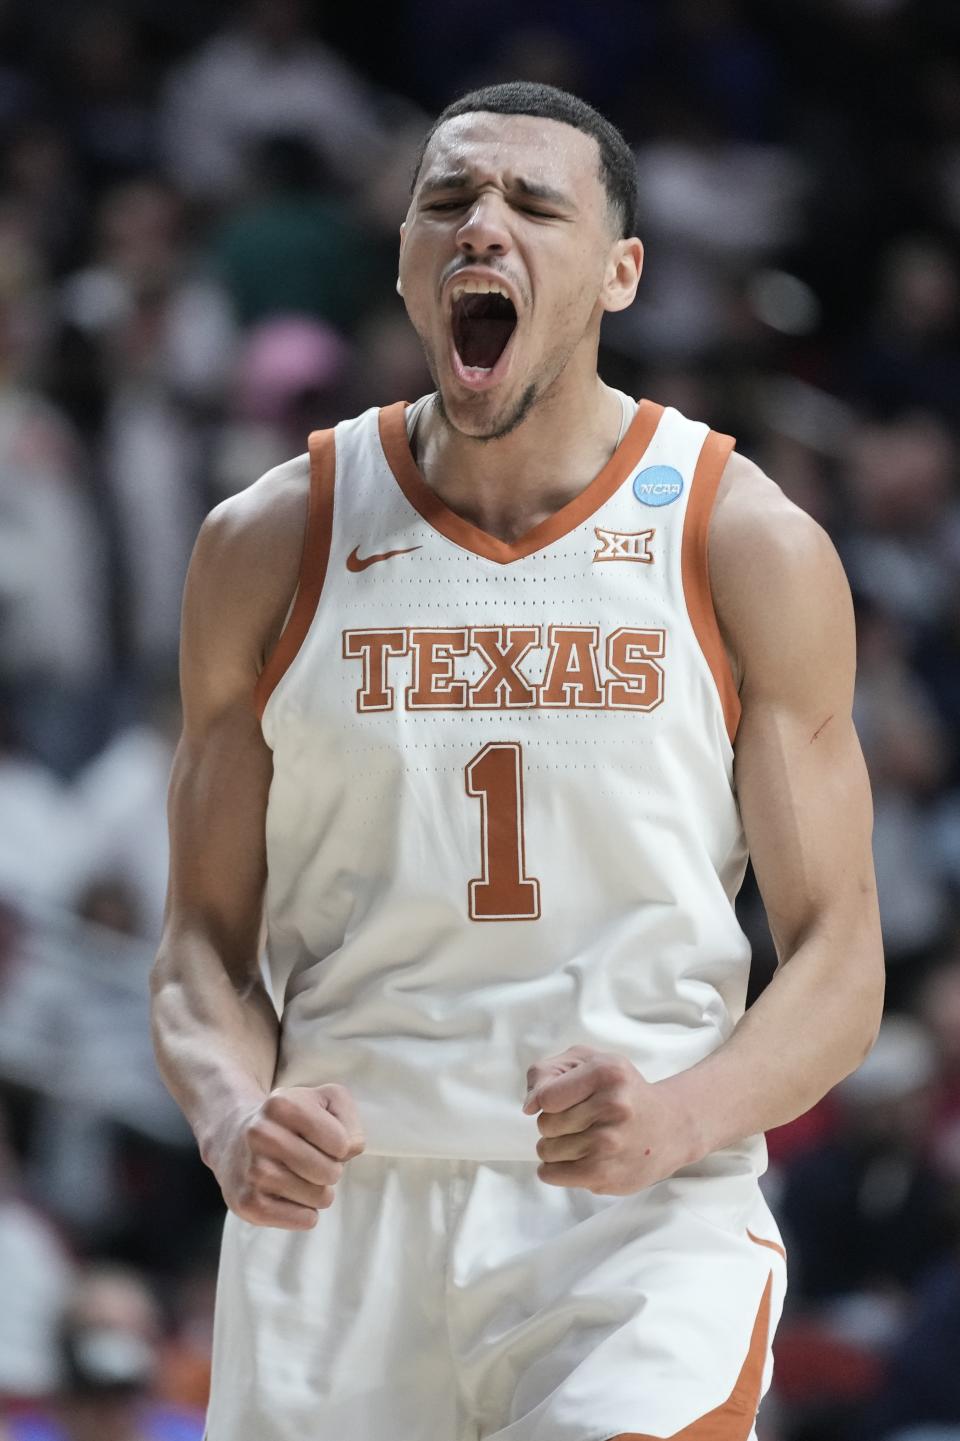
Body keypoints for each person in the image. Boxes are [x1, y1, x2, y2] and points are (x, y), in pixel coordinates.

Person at [150, 81, 885, 1441]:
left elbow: (841, 953)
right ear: (408, 262)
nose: (483, 225)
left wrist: (683, 1116)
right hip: (343, 1212)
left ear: (619, 273)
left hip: (631, 1217)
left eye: (534, 203)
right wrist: (232, 1110)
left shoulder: (738, 539)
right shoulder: (270, 540)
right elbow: (198, 937)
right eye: (449, 202)